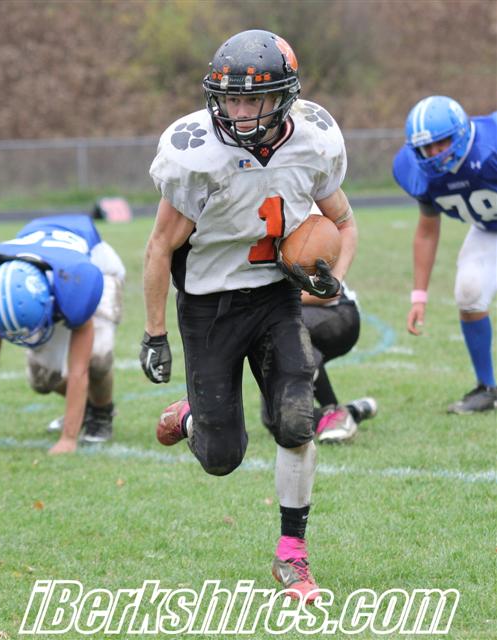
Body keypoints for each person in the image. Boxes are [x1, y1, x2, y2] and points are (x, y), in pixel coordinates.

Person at [140, 30, 358, 601]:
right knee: (221, 458)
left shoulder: (312, 141)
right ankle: (194, 415)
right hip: (209, 306)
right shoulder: (196, 154)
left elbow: (344, 222)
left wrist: (332, 280)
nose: (238, 112)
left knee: (297, 420)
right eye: (230, 98)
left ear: (283, 97)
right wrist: (155, 334)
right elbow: (159, 246)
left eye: (252, 99)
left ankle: (293, 557)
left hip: (274, 298)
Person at [0, 214, 125, 454]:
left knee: (97, 358)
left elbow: (79, 369)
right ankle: (84, 409)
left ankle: (101, 412)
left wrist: (68, 438)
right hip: (48, 268)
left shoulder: (78, 284)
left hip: (97, 268)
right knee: (43, 377)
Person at [393, 96, 497, 414]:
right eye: (427, 147)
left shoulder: (491, 145)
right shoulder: (415, 171)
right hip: (489, 229)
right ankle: (487, 389)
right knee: (469, 292)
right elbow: (427, 230)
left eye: (442, 143)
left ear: (461, 133)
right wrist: (419, 296)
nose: (436, 153)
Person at [261, 279, 377, 444]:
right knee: (276, 418)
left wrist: (271, 302)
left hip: (336, 312)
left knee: (282, 330)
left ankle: (333, 411)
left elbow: (329, 292)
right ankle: (350, 412)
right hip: (293, 312)